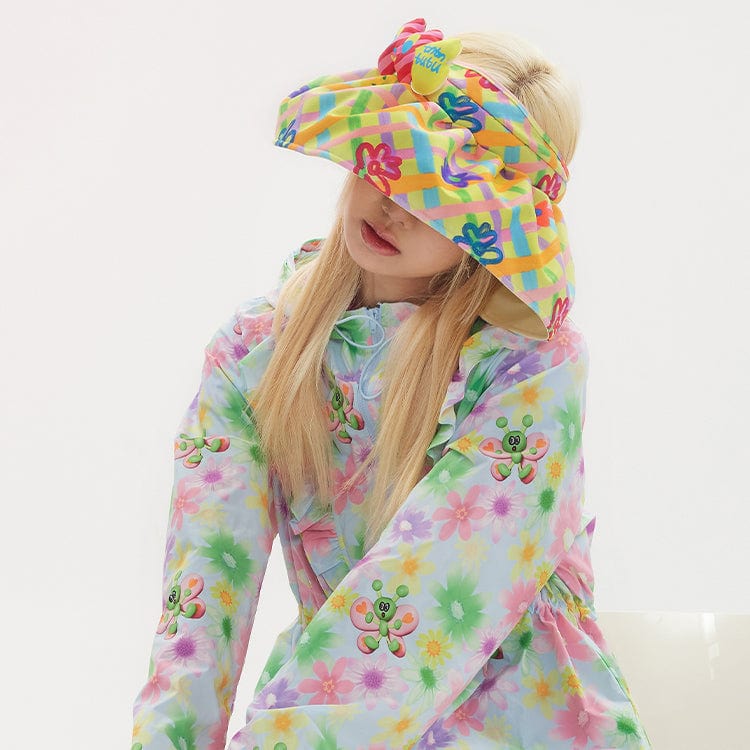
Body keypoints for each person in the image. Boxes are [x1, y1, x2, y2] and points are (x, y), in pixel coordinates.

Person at [131, 17, 653, 750]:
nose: (396, 204)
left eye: (444, 194)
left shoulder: (528, 366)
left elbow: (426, 601)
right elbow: (201, 603)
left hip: (521, 724)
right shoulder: (254, 353)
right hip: (325, 717)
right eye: (394, 163)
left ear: (499, 229)